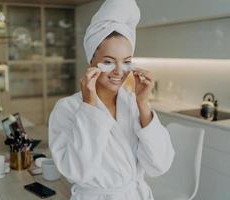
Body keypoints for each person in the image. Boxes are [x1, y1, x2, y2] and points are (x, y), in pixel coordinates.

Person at [48, 0, 175, 199]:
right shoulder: (67, 109)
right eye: (108, 61)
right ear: (91, 60)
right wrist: (89, 107)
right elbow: (78, 172)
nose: (118, 71)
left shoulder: (133, 104)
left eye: (126, 62)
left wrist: (143, 104)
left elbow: (159, 165)